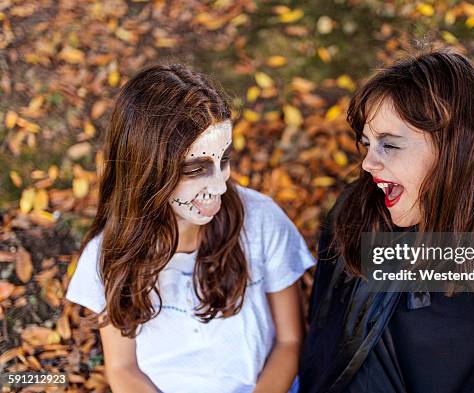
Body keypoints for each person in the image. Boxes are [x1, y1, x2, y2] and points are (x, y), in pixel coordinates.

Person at [299, 50, 474, 393]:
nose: (368, 164)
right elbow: (331, 348)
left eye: (389, 145)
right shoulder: (358, 217)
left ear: (453, 150)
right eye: (368, 143)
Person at [65, 64, 315, 393]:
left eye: (223, 160)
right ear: (148, 171)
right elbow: (123, 367)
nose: (220, 186)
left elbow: (291, 340)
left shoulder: (261, 220)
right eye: (196, 169)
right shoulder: (109, 254)